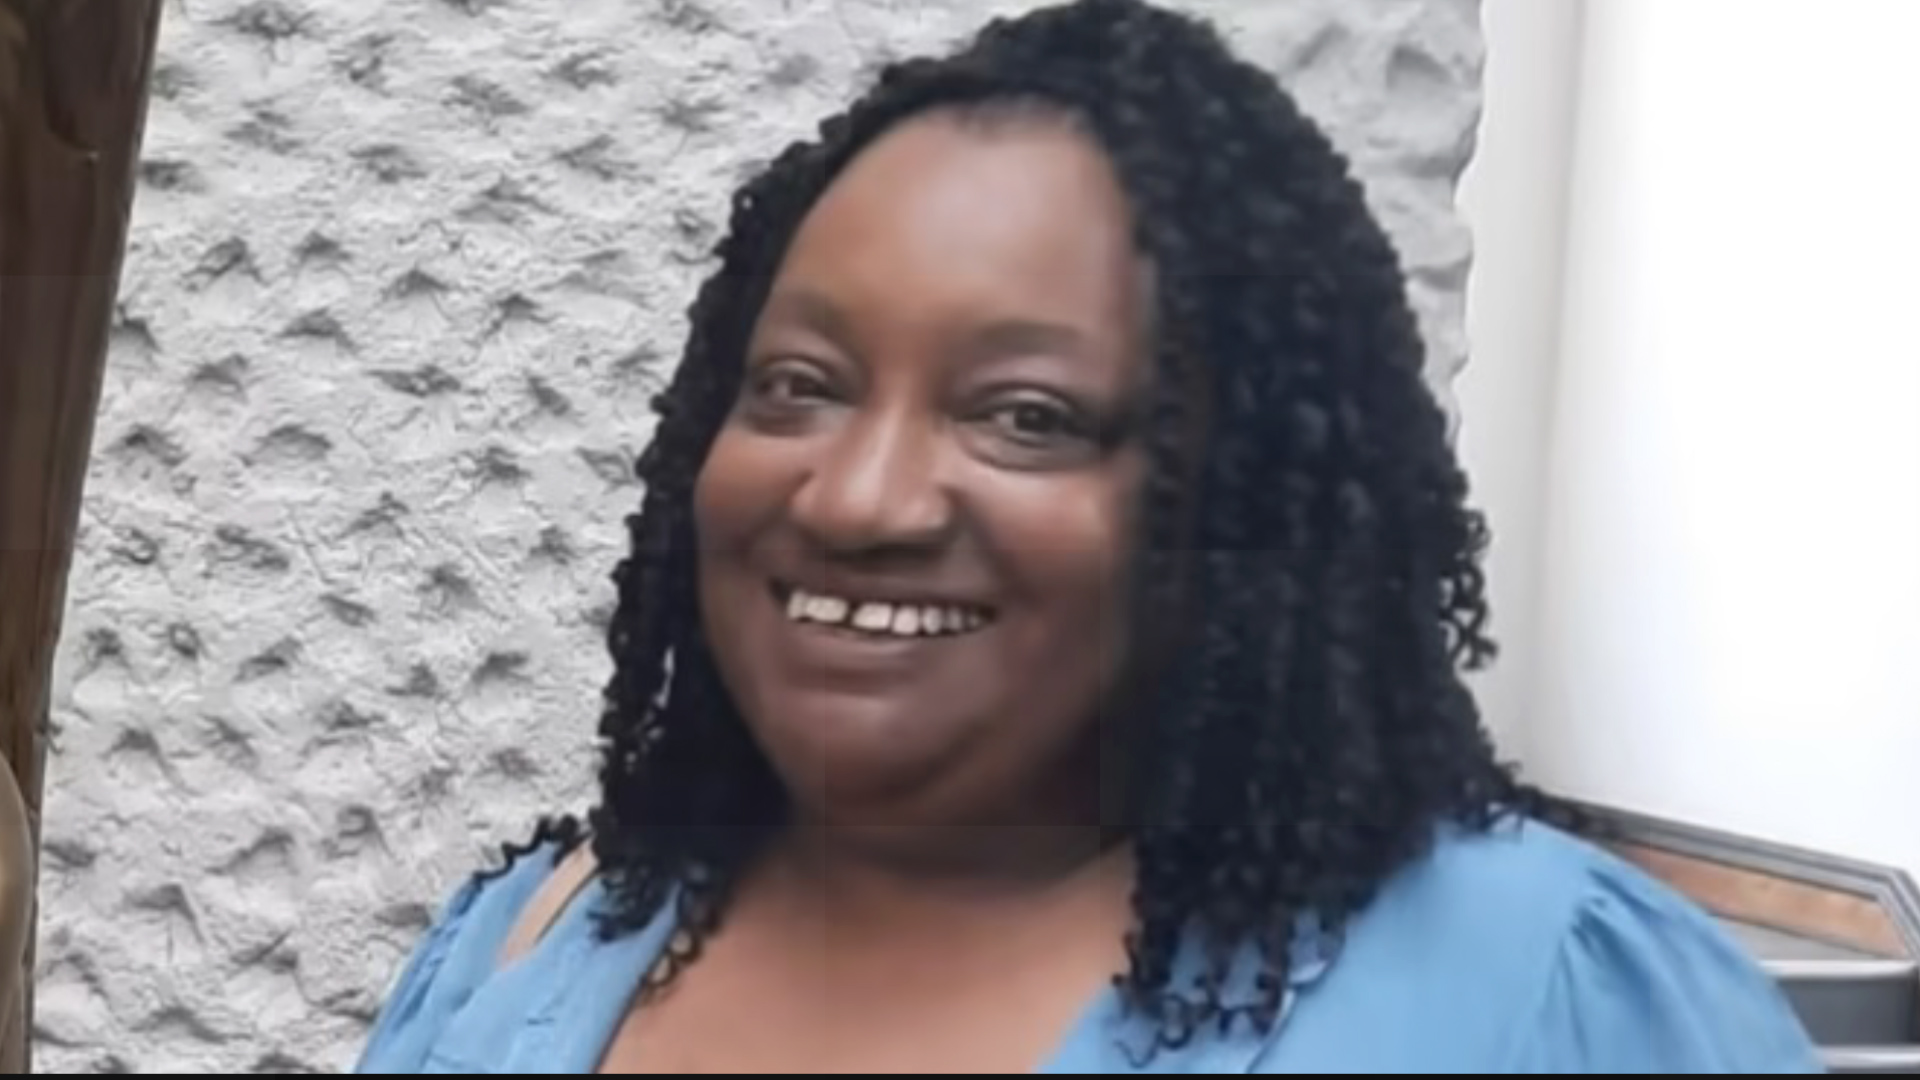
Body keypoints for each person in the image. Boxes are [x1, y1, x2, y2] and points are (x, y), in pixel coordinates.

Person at [355, 0, 1821, 1072]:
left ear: (1241, 500)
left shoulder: (1539, 1001)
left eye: (1027, 416)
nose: (859, 501)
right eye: (799, 386)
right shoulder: (532, 951)